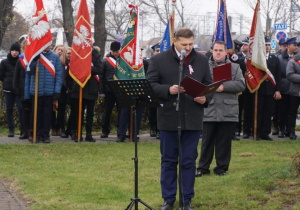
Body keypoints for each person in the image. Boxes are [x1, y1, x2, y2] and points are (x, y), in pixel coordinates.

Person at [147, 28, 213, 210]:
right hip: (169, 118)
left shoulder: (201, 60)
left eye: (191, 44)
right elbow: (151, 85)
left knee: (188, 160)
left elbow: (209, 84)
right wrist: (168, 90)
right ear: (175, 41)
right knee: (169, 160)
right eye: (184, 44)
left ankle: (186, 199)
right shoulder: (159, 60)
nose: (188, 47)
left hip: (192, 118)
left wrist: (205, 97)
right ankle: (168, 199)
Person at [196, 41, 245, 177]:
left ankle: (221, 168)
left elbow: (241, 84)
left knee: (224, 141)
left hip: (227, 109)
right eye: (215, 50)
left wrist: (224, 87)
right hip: (209, 109)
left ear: (226, 52)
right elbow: (198, 83)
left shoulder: (234, 68)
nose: (218, 53)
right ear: (212, 51)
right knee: (207, 141)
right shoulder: (204, 66)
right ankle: (203, 168)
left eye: (220, 50)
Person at [24, 45, 62, 143]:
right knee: (36, 115)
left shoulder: (55, 57)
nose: (47, 46)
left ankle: (45, 135)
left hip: (49, 92)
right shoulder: (34, 56)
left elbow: (58, 75)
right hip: (36, 92)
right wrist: (33, 61)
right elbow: (29, 71)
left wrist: (57, 90)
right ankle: (36, 134)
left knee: (47, 115)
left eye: (49, 44)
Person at [68, 46, 102, 142]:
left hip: (91, 88)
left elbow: (98, 69)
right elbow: (72, 69)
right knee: (77, 113)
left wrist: (85, 66)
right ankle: (76, 132)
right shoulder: (77, 53)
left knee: (90, 113)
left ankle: (88, 134)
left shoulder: (96, 55)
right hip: (78, 87)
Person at [256, 37, 281, 140]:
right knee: (259, 112)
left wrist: (277, 90)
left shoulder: (275, 59)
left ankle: (265, 133)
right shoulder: (257, 59)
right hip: (259, 90)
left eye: (268, 45)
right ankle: (257, 133)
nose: (267, 47)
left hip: (270, 90)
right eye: (265, 45)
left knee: (268, 112)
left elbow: (278, 76)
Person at [0, 42, 23, 137]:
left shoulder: (21, 61)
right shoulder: (4, 62)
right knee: (9, 109)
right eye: (12, 50)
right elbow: (1, 75)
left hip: (18, 89)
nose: (14, 52)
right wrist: (6, 81)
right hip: (8, 89)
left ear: (19, 52)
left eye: (16, 51)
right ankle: (11, 129)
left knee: (20, 108)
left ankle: (23, 129)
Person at [277, 37, 298, 138]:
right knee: (283, 109)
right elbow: (278, 74)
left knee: (292, 110)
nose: (296, 47)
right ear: (288, 46)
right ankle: (281, 129)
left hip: (294, 88)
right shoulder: (280, 58)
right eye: (294, 45)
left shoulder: (297, 58)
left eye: (296, 45)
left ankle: (290, 130)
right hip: (284, 87)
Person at [99, 41, 121, 138]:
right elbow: (101, 77)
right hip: (109, 90)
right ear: (111, 51)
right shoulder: (105, 61)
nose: (116, 53)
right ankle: (105, 130)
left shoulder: (123, 61)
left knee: (121, 111)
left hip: (120, 90)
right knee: (107, 111)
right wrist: (102, 91)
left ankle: (120, 130)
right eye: (114, 51)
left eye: (117, 51)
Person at [13, 40, 30, 140]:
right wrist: (16, 89)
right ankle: (24, 131)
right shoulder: (21, 60)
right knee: (24, 112)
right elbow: (16, 76)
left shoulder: (36, 59)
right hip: (22, 90)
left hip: (32, 89)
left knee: (32, 112)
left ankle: (32, 131)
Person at [286, 42, 300, 140]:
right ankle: (291, 132)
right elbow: (289, 75)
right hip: (296, 91)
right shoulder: (293, 61)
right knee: (292, 112)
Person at [57, 47, 72, 138]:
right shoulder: (60, 64)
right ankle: (61, 129)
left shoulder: (74, 64)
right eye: (68, 53)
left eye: (71, 53)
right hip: (62, 89)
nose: (70, 55)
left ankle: (70, 129)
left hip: (71, 89)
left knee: (72, 110)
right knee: (61, 111)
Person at [51, 44, 65, 136]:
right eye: (58, 49)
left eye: (62, 50)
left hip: (62, 89)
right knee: (52, 110)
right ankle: (53, 127)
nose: (60, 52)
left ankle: (59, 127)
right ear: (55, 50)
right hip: (52, 88)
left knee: (61, 110)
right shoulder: (51, 61)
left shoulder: (65, 62)